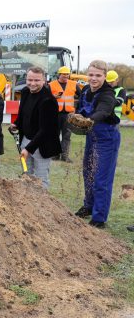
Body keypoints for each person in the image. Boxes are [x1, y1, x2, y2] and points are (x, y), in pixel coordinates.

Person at [74, 61, 121, 229]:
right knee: (88, 172)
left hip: (107, 138)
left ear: (104, 76)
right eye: (91, 75)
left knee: (102, 178)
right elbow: (80, 108)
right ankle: (89, 205)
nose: (93, 78)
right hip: (92, 136)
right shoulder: (86, 90)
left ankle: (99, 217)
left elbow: (103, 111)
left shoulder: (107, 94)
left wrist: (90, 120)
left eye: (98, 75)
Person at [9, 66, 61, 189]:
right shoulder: (25, 92)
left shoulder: (48, 101)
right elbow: (23, 113)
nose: (32, 83)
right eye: (30, 80)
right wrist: (16, 123)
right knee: (27, 176)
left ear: (44, 81)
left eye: (37, 80)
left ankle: (42, 207)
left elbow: (45, 130)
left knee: (41, 179)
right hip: (26, 139)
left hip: (42, 144)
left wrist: (29, 149)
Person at [49, 66, 82, 162]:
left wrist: (77, 107)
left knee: (67, 136)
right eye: (64, 74)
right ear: (59, 75)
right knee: (55, 135)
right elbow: (44, 97)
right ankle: (55, 155)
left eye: (67, 74)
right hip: (55, 114)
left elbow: (82, 96)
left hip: (68, 115)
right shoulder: (51, 85)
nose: (66, 76)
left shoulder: (74, 84)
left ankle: (65, 156)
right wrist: (52, 97)